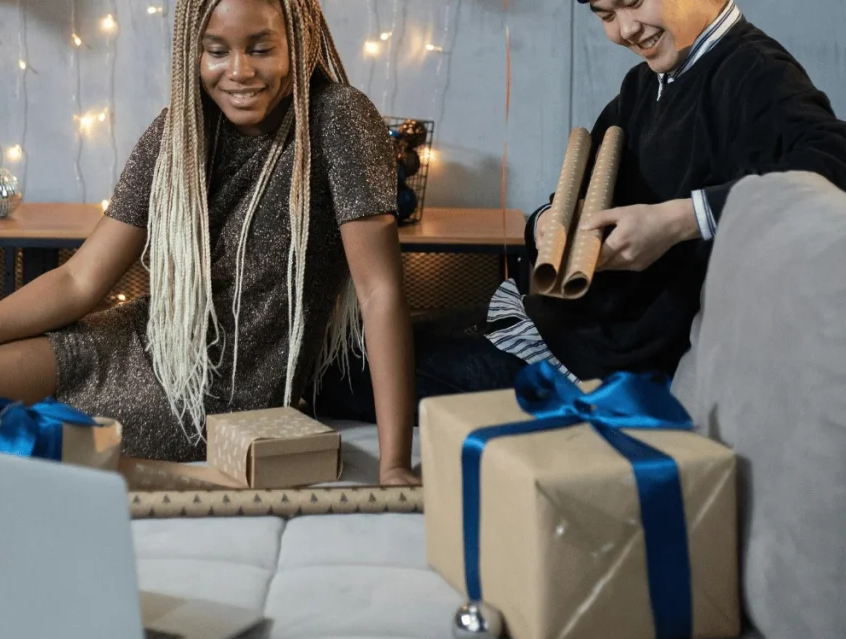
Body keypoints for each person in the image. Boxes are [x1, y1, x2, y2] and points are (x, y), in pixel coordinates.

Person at [0, 0, 418, 615]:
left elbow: (380, 293)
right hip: (139, 339)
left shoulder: (339, 118)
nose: (239, 70)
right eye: (217, 51)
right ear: (194, 50)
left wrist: (395, 466)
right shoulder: (177, 129)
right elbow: (81, 280)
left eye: (261, 47)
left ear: (302, 39)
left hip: (214, 390)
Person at [315, 0, 846, 425]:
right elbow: (582, 185)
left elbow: (831, 164)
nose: (623, 31)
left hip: (597, 364)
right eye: (604, 14)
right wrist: (546, 221)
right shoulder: (646, 83)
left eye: (632, 4)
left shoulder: (754, 70)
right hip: (545, 319)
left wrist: (677, 220)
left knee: (331, 375)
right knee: (350, 344)